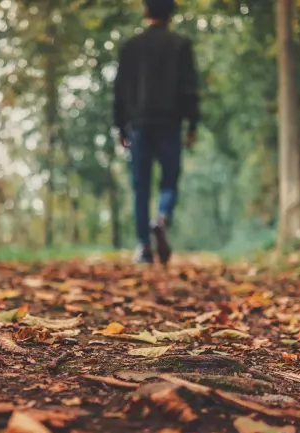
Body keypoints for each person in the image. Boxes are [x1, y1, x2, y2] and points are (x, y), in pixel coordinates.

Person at [113, 0, 200, 265]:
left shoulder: (131, 47)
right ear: (171, 15)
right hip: (170, 123)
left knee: (141, 185)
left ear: (145, 12)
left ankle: (143, 248)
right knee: (169, 180)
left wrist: (120, 125)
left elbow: (120, 89)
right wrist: (192, 124)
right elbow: (190, 89)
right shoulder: (181, 46)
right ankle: (161, 217)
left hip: (139, 124)